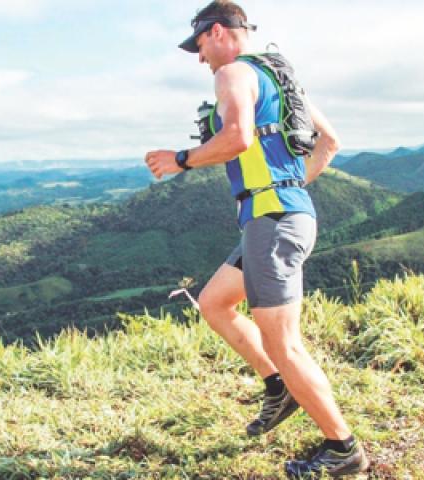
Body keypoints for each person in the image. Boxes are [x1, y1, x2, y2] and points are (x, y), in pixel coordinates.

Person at [144, 1, 369, 477]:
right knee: (214, 303)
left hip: (273, 219)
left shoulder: (232, 74)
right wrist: (287, 189)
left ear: (219, 32)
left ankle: (343, 449)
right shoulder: (281, 79)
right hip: (282, 214)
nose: (199, 56)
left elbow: (238, 139)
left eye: (199, 44)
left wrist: (179, 159)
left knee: (284, 343)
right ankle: (278, 387)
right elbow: (330, 143)